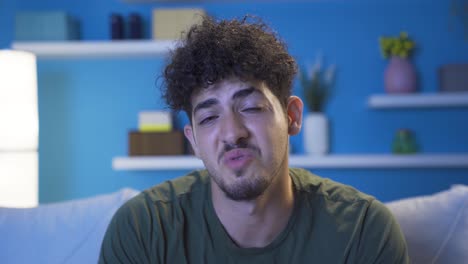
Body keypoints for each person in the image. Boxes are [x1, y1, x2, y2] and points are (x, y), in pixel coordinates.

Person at [99, 15, 409, 263]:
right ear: (193, 141)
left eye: (250, 107)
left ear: (292, 116)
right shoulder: (143, 230)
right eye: (209, 117)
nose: (233, 132)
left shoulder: (363, 231)